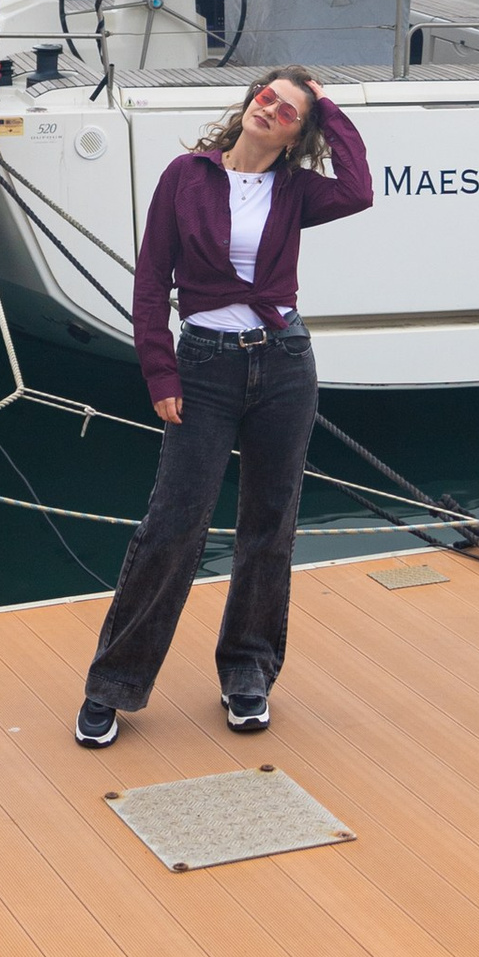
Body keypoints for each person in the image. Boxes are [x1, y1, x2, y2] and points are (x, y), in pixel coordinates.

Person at [76, 68, 373, 746]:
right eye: (266, 96)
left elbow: (359, 189)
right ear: (248, 103)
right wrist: (159, 371)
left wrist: (328, 105)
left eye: (289, 110)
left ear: (301, 132)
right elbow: (152, 282)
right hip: (205, 365)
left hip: (285, 362)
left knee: (270, 522)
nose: (271, 109)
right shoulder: (187, 175)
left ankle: (248, 674)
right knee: (173, 525)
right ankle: (113, 685)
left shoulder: (296, 189)